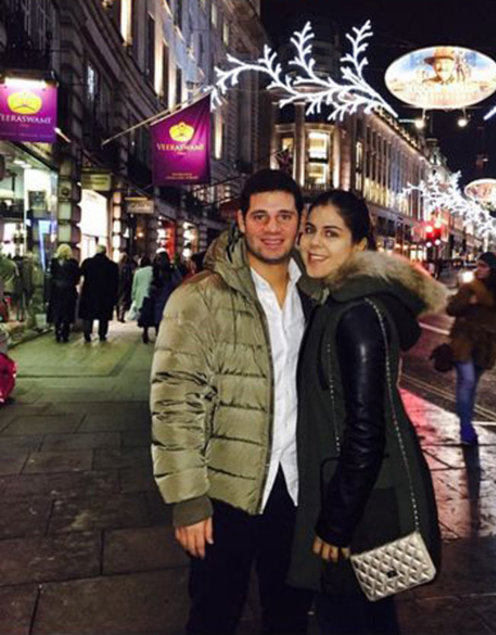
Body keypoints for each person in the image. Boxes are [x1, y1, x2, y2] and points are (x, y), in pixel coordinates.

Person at [150, 169, 320, 635]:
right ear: (241, 221)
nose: (272, 228)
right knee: (213, 616)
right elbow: (174, 402)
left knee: (289, 618)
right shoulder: (200, 297)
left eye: (284, 216)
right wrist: (188, 499)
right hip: (224, 492)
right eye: (260, 216)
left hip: (296, 489)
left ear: (300, 221)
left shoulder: (316, 293)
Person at [289, 190, 445, 634]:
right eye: (310, 230)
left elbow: (366, 431)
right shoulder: (335, 300)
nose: (314, 243)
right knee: (372, 617)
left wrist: (336, 524)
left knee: (347, 617)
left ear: (358, 245)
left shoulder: (356, 314)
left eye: (331, 234)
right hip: (354, 495)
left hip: (355, 508)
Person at [446, 251, 496, 445]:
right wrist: (467, 302)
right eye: (478, 265)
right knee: (466, 382)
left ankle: (467, 421)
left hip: (485, 345)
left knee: (472, 386)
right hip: (464, 341)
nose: (478, 269)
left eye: (483, 266)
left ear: (492, 269)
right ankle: (466, 428)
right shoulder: (469, 288)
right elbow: (451, 309)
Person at [138, 252, 181, 344]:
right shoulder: (171, 270)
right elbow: (178, 282)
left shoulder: (156, 270)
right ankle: (161, 336)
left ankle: (155, 334)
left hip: (157, 298)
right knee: (164, 318)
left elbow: (151, 285)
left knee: (155, 317)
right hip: (168, 297)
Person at [78, 245, 119, 342]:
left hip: (89, 293)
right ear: (105, 252)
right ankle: (102, 334)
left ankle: (87, 333)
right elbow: (115, 282)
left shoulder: (87, 263)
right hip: (105, 294)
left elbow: (80, 274)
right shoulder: (112, 265)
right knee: (103, 315)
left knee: (88, 314)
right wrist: (114, 297)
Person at [47, 244, 80, 343]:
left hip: (56, 291)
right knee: (67, 311)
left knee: (57, 310)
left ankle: (57, 331)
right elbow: (77, 277)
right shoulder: (73, 263)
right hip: (69, 290)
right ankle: (65, 334)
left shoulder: (54, 262)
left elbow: (51, 275)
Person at [129, 255, 153, 322]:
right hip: (150, 294)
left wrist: (133, 296)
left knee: (141, 313)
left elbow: (134, 285)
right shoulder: (152, 270)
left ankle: (143, 324)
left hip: (139, 296)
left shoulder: (138, 272)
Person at [116, 254, 136, 322]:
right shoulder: (127, 267)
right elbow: (129, 277)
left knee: (118, 301)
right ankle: (121, 316)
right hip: (125, 285)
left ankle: (118, 315)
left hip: (117, 285)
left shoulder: (117, 266)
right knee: (123, 301)